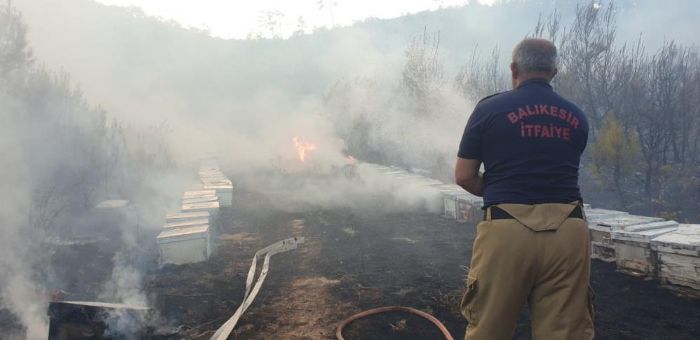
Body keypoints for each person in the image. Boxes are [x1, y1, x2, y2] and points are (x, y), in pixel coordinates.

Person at [454, 38, 593, 339]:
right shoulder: (577, 116)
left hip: (506, 230)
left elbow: (464, 176)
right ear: (554, 72)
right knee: (565, 331)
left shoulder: (489, 109)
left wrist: (501, 188)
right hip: (569, 231)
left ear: (514, 68)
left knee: (489, 328)